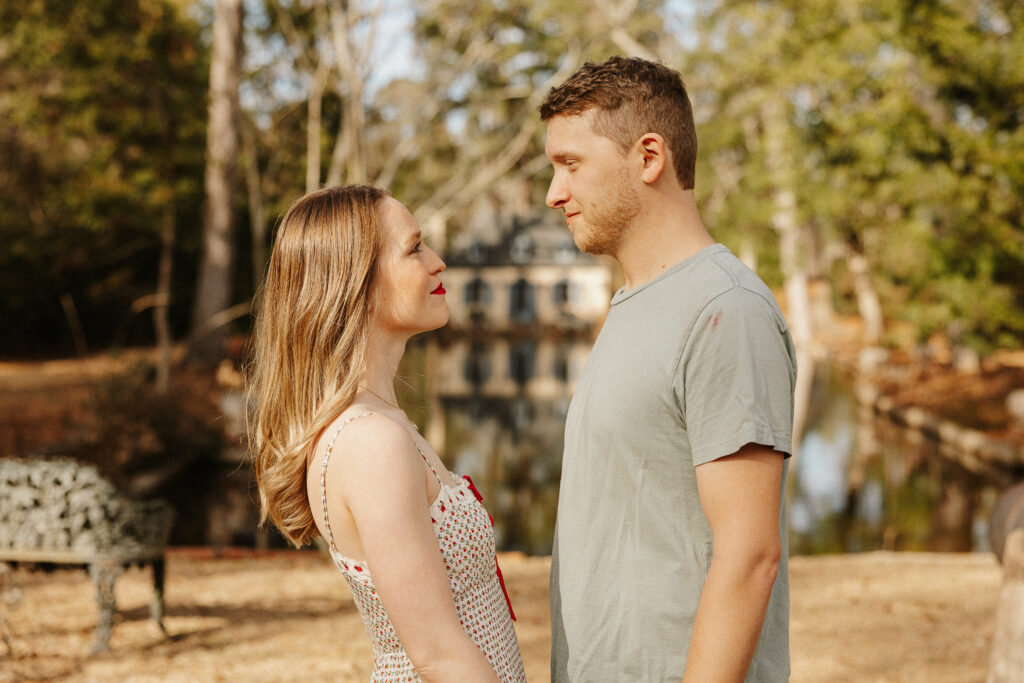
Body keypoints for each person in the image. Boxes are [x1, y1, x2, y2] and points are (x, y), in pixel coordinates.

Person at [541, 57, 796, 682]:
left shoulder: (725, 309)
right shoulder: (637, 302)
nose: (554, 193)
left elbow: (750, 555)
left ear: (648, 156)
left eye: (570, 165)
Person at [247, 185, 525, 682]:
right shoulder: (370, 442)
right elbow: (436, 653)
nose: (438, 262)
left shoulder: (379, 420)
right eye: (415, 249)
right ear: (360, 284)